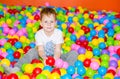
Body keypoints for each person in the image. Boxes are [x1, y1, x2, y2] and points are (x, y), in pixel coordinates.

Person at [1, 7, 78, 74]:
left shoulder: (58, 33)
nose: (49, 24)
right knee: (32, 51)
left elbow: (57, 50)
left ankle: (70, 70)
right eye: (46, 22)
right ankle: (16, 69)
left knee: (74, 53)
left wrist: (54, 61)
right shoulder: (38, 34)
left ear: (55, 23)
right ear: (41, 23)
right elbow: (40, 50)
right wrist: (45, 59)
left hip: (57, 57)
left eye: (51, 21)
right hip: (41, 57)